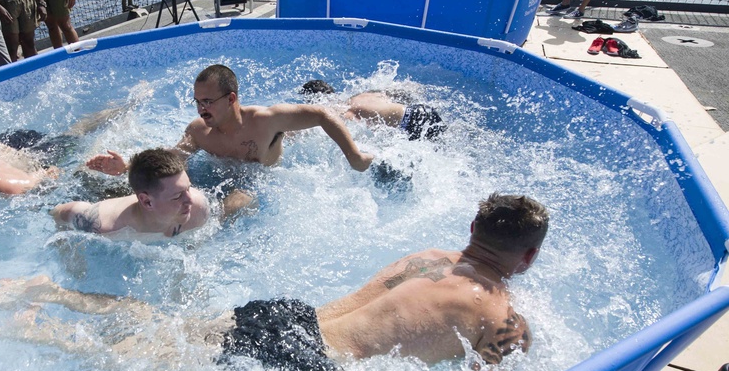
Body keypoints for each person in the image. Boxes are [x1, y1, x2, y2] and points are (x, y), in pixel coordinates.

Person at [0, 193, 547, 371]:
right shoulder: (501, 318)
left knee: (169, 330)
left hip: (290, 315)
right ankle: (39, 331)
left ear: (473, 231)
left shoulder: (427, 257)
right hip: (307, 357)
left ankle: (53, 294)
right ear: (529, 256)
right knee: (145, 364)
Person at [86, 64, 373, 177]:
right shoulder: (199, 132)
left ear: (232, 99)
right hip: (236, 170)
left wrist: (355, 156)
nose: (201, 109)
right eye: (197, 102)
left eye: (208, 102)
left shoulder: (266, 119)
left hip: (272, 164)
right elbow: (172, 159)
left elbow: (322, 115)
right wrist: (127, 167)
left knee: (235, 203)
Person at [53, 148, 210, 238]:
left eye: (188, 188)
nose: (189, 199)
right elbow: (59, 212)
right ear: (147, 201)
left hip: (145, 196)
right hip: (94, 192)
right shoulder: (101, 225)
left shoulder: (198, 208)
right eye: (177, 196)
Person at [300, 80, 446, 141]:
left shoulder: (341, 111)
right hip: (422, 111)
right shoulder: (360, 96)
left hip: (411, 124)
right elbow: (406, 89)